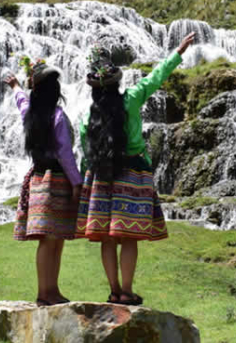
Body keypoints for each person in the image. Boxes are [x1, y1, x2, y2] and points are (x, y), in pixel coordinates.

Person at [76, 32, 196, 305]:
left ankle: (114, 290)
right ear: (116, 81)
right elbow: (156, 77)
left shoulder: (88, 116)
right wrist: (178, 52)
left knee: (107, 238)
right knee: (128, 236)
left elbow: (85, 152)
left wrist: (84, 183)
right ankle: (127, 292)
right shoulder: (131, 99)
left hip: (101, 177)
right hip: (133, 174)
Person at [4, 60, 82, 306]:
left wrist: (16, 85)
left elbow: (21, 100)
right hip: (57, 181)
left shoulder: (32, 113)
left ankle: (50, 290)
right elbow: (65, 153)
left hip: (38, 179)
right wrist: (77, 182)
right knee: (53, 241)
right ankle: (45, 292)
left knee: (51, 239)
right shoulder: (57, 115)